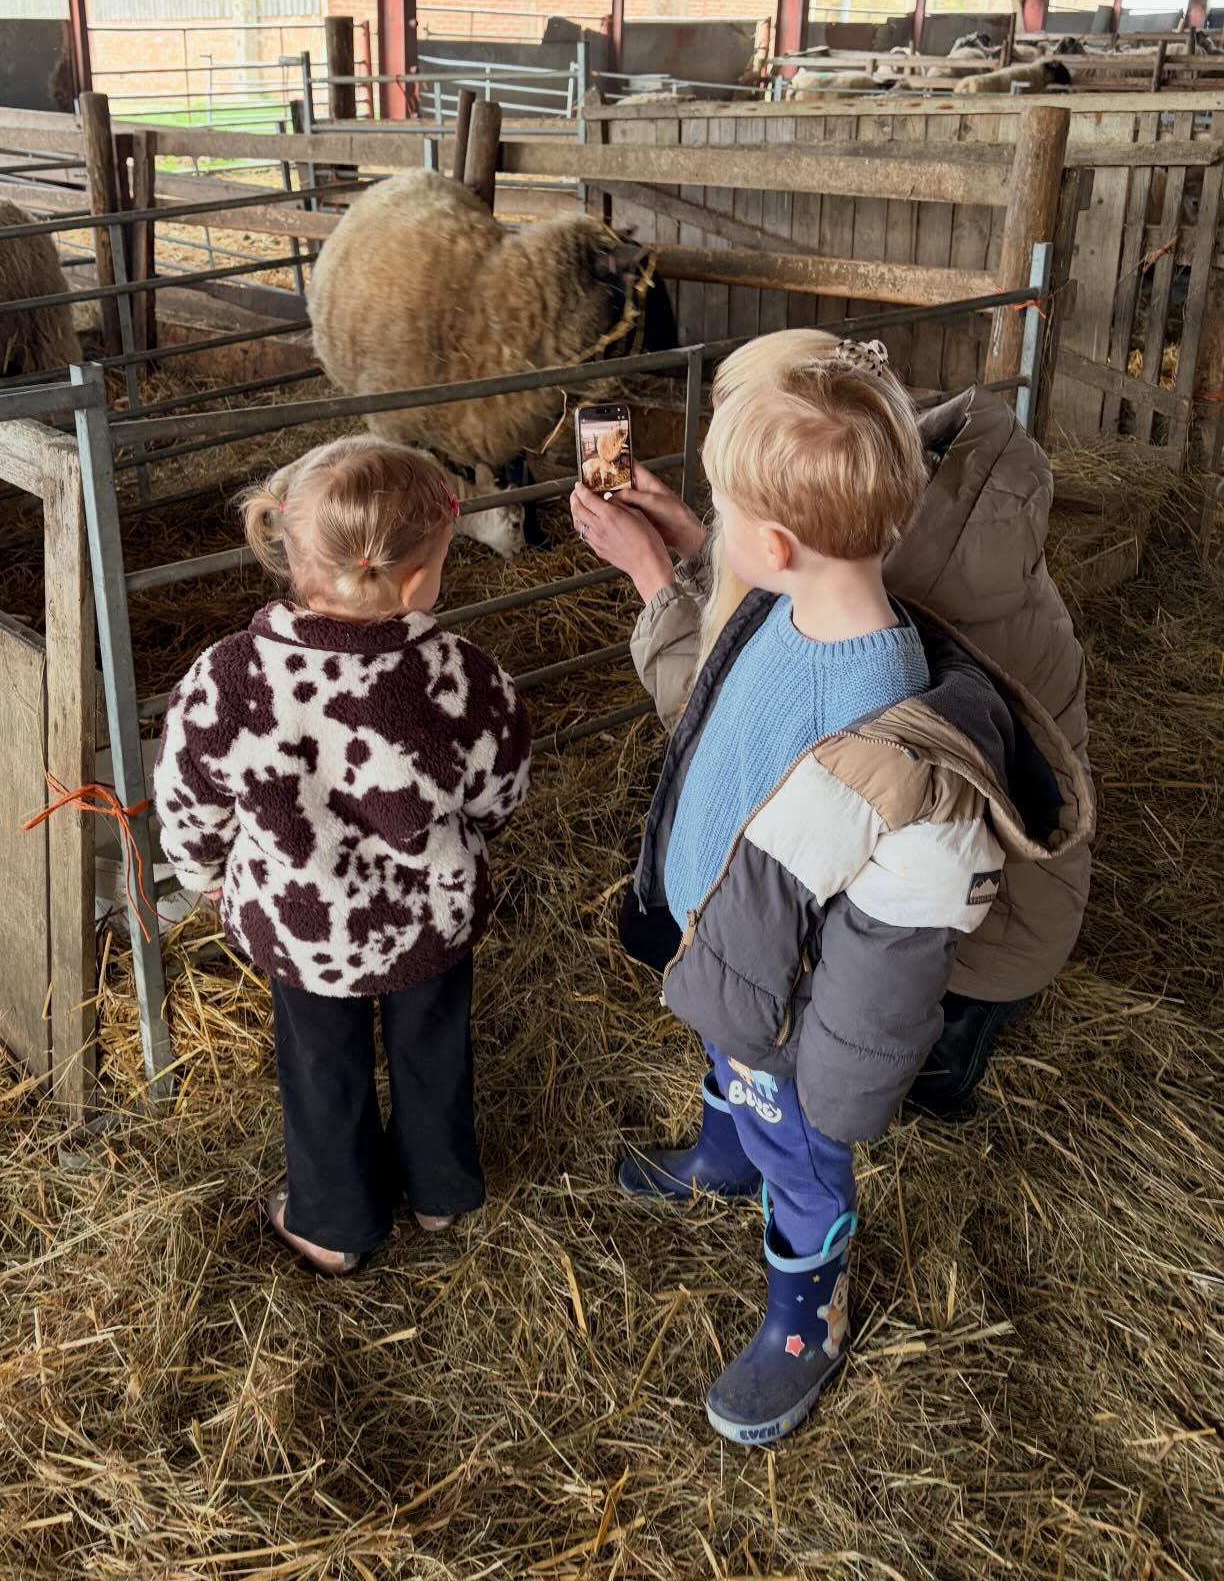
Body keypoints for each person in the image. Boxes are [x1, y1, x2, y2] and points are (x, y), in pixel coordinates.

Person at [570, 334, 1092, 1446]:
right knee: (724, 1053)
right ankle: (721, 1149)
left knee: (798, 1157)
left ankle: (806, 1314)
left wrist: (832, 1094)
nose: (716, 524)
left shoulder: (899, 743)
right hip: (732, 942)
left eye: (722, 504)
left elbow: (887, 959)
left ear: (774, 541)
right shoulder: (785, 607)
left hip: (790, 1017)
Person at [154, 435, 532, 1277]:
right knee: (434, 1045)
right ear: (413, 579)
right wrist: (467, 842)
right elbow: (500, 791)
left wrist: (207, 876)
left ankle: (334, 1222)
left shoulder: (229, 680)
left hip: (302, 927)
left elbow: (188, 796)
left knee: (321, 1062)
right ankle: (438, 1192)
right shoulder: (462, 678)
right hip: (429, 920)